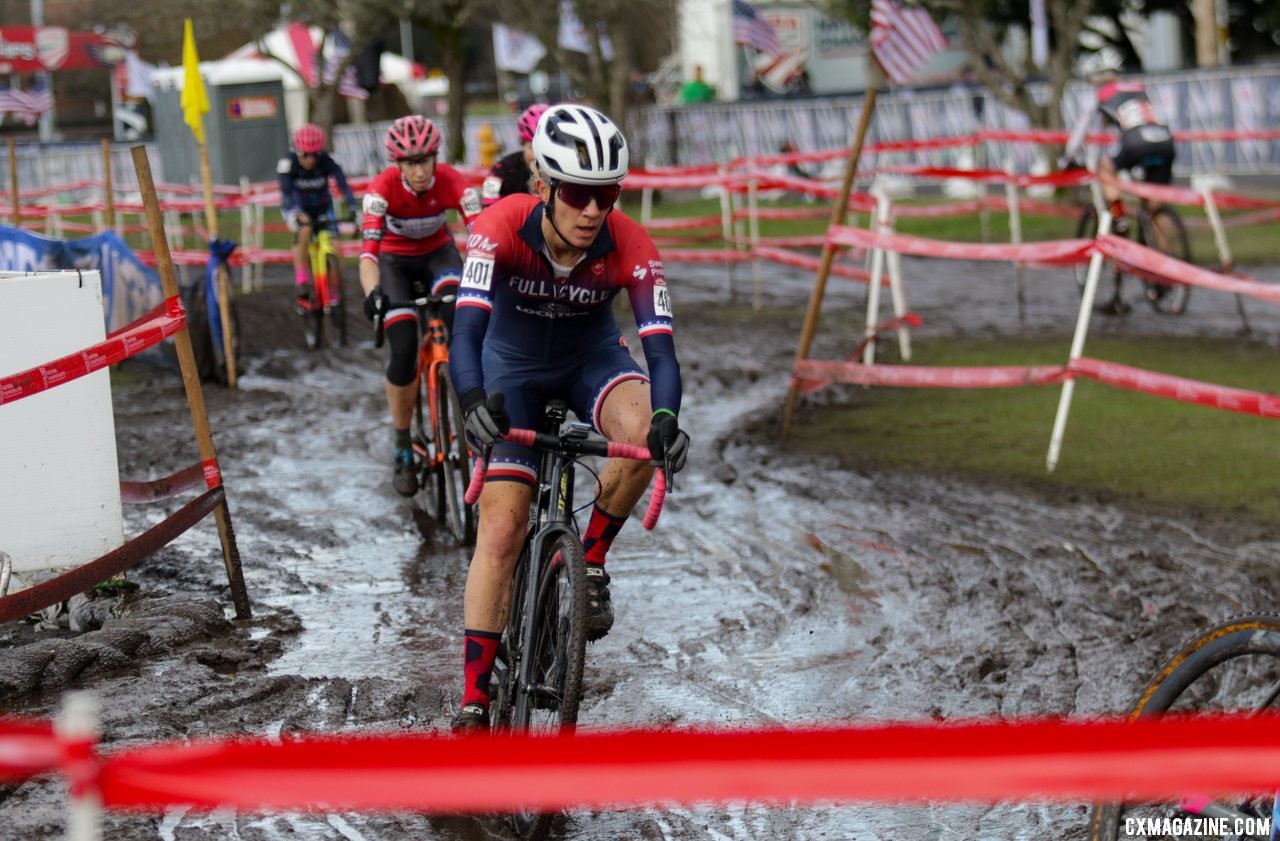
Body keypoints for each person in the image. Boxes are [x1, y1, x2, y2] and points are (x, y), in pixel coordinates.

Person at [447, 104, 690, 731]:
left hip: (589, 359)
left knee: (641, 436)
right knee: (501, 529)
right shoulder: (499, 226)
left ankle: (589, 561)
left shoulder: (631, 242)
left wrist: (665, 417)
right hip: (509, 367)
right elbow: (467, 331)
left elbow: (659, 348)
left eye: (606, 194)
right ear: (544, 187)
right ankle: (475, 696)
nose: (592, 211)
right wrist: (473, 402)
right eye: (579, 193)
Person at [358, 115, 483, 496]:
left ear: (435, 158)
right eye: (409, 163)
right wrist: (372, 293)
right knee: (404, 347)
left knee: (463, 322)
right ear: (397, 165)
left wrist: (488, 282)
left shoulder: (453, 182)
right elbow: (368, 255)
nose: (418, 170)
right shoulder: (380, 190)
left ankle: (474, 422)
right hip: (394, 264)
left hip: (438, 257)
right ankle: (402, 446)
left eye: (424, 160)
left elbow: (481, 239)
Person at [1063, 56, 1176, 313]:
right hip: (1165, 142)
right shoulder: (1138, 89)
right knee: (1155, 208)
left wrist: (1067, 159)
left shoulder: (1100, 95)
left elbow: (1080, 132)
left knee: (1106, 169)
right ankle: (1167, 266)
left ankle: (1118, 215)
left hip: (1136, 144)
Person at [277, 123, 358, 312]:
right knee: (304, 229)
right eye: (305, 154)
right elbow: (286, 193)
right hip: (298, 207)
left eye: (315, 154)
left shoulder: (326, 161)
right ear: (298, 151)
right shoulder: (288, 164)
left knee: (336, 246)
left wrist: (353, 208)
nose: (311, 159)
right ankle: (302, 280)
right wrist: (294, 214)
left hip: (323, 207)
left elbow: (343, 185)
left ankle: (333, 286)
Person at [480, 103, 547, 207]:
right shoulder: (501, 170)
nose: (538, 156)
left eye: (545, 149)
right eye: (532, 148)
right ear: (522, 144)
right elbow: (488, 207)